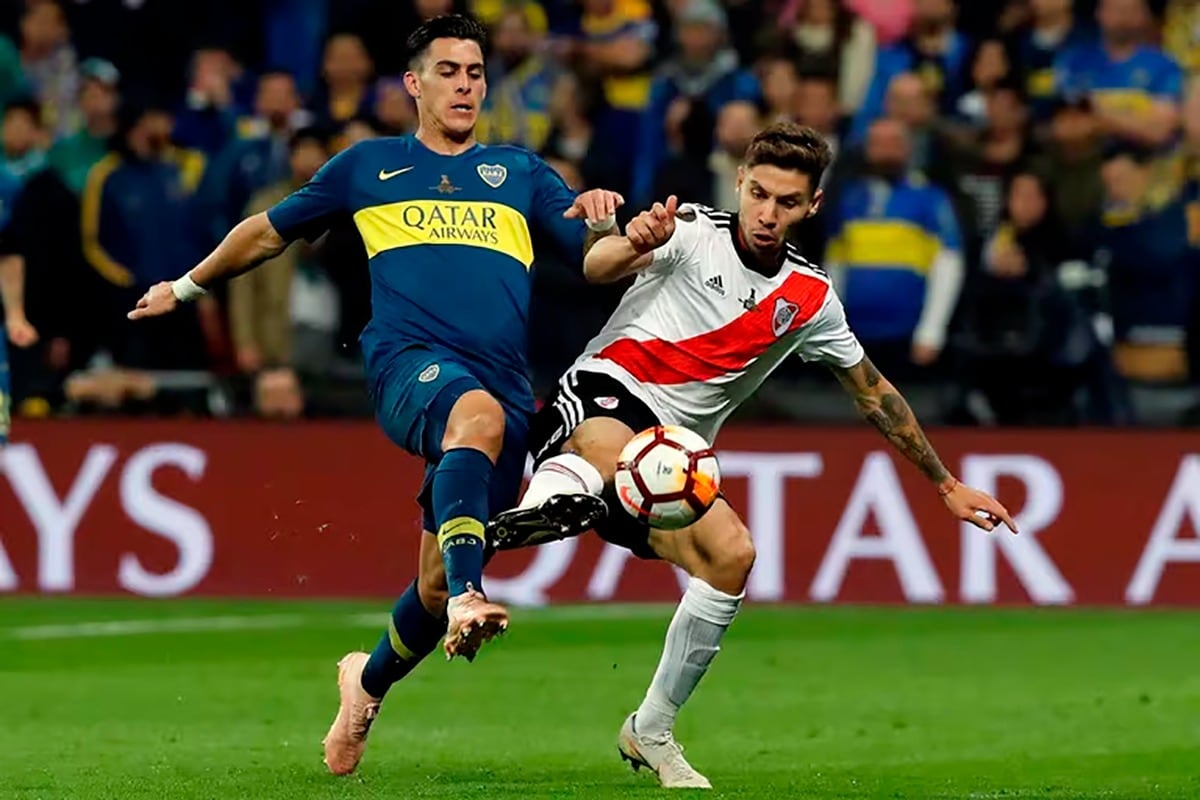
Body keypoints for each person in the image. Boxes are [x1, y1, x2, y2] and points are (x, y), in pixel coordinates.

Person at [125, 14, 624, 776]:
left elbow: (595, 262)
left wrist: (635, 231)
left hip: (502, 388)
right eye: (449, 71)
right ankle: (471, 597)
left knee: (428, 580)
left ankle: (366, 683)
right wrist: (188, 286)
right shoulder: (367, 167)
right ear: (413, 84)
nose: (465, 85)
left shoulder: (521, 172)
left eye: (476, 72)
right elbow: (268, 231)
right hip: (406, 364)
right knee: (474, 428)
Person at [486, 121, 1018, 789]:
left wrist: (944, 483)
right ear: (739, 181)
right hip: (605, 392)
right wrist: (628, 241)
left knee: (734, 555)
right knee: (608, 445)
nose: (767, 214)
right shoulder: (689, 230)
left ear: (812, 207)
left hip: (674, 460)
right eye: (759, 194)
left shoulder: (811, 299)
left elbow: (874, 393)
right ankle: (547, 502)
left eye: (787, 203)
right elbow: (596, 267)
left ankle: (650, 728)